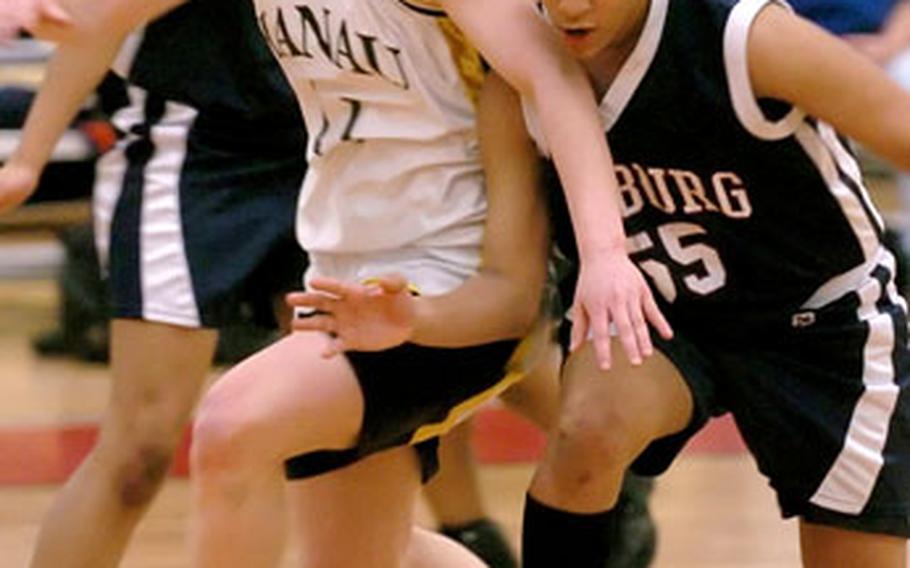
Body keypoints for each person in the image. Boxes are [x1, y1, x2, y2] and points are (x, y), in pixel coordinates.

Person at [473, 0, 910, 566]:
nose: (570, 6)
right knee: (586, 429)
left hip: (822, 324)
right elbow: (508, 282)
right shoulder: (519, 67)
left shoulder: (748, 35)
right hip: (662, 318)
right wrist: (413, 319)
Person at [0, 1, 310, 566]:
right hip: (188, 152)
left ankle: (468, 532)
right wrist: (28, 159)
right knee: (139, 450)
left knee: (320, 438)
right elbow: (97, 21)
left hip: (325, 144)